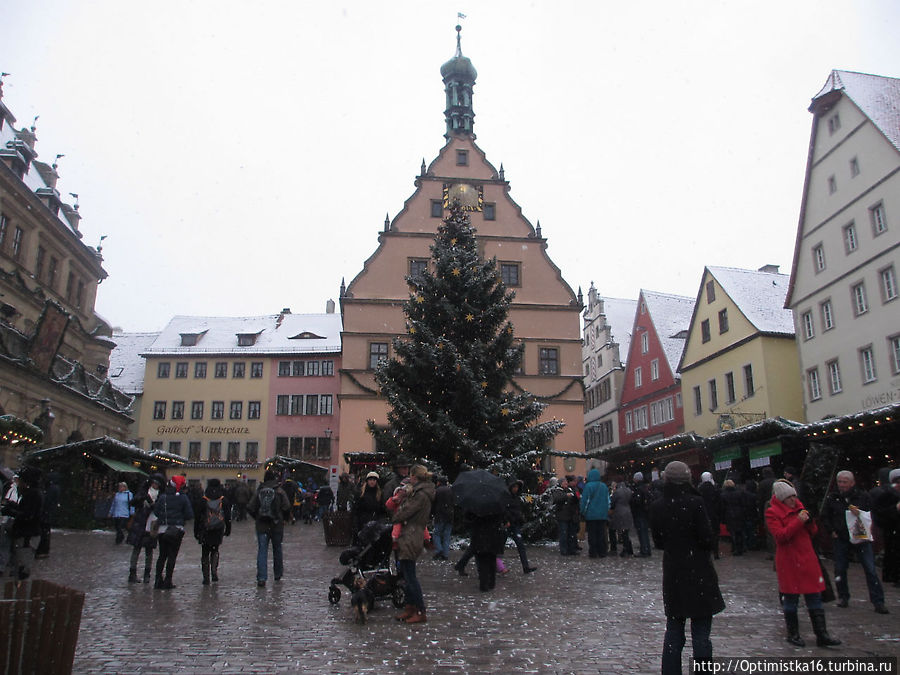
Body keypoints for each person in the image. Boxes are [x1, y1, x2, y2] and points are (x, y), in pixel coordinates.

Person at [650, 461, 724, 675]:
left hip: (674, 572)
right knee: (701, 634)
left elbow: (659, 541)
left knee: (674, 630)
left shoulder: (658, 506)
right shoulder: (695, 503)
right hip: (699, 571)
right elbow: (707, 537)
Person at [765, 479, 841, 647]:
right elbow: (780, 536)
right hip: (789, 561)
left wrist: (810, 522)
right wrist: (798, 521)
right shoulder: (772, 512)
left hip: (807, 558)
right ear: (782, 498)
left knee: (814, 597)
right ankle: (793, 634)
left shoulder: (800, 507)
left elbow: (812, 532)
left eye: (794, 496)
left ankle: (822, 634)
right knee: (791, 599)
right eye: (789, 497)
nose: (793, 500)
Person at [821, 470, 888, 613]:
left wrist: (861, 513)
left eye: (845, 482)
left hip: (860, 537)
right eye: (840, 482)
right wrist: (831, 530)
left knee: (870, 569)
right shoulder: (833, 498)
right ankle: (843, 597)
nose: (842, 485)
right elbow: (825, 515)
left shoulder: (863, 496)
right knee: (840, 568)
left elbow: (872, 514)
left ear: (852, 483)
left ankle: (878, 601)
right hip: (841, 536)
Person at [392, 464, 434, 624]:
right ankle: (410, 608)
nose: (409, 478)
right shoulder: (419, 493)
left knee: (410, 576)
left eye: (411, 476)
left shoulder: (420, 495)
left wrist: (399, 510)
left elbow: (405, 511)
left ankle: (420, 610)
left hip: (411, 534)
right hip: (410, 533)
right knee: (407, 573)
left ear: (415, 477)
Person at [248, 469, 291, 587]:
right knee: (277, 549)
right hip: (277, 525)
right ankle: (278, 574)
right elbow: (287, 506)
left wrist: (257, 517)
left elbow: (250, 507)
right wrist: (284, 519)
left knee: (262, 550)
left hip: (262, 525)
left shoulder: (259, 491)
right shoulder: (279, 491)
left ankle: (262, 578)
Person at [153, 475, 193, 589]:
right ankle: (168, 580)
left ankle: (157, 580)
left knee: (162, 556)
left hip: (162, 530)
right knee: (172, 556)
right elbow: (189, 514)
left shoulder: (163, 497)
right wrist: (180, 518)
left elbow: (156, 512)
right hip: (176, 530)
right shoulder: (183, 498)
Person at [194, 478, 232, 585]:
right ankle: (214, 572)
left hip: (205, 529)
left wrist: (196, 531)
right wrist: (228, 529)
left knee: (205, 552)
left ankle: (206, 577)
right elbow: (228, 516)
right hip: (218, 529)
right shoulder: (223, 499)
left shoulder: (204, 499)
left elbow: (197, 516)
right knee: (215, 550)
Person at [127, 473, 163, 583]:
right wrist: (143, 499)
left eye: (157, 484)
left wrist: (154, 506)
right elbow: (133, 502)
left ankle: (147, 574)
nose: (155, 485)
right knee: (136, 549)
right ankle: (132, 573)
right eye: (154, 483)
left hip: (152, 524)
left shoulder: (161, 495)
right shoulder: (143, 492)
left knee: (149, 550)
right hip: (140, 522)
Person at [8, 466, 42, 580]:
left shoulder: (33, 494)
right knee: (19, 566)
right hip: (25, 534)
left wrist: (12, 511)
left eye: (21, 480)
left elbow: (28, 515)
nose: (19, 483)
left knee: (22, 568)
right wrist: (14, 507)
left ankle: (19, 592)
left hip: (27, 535)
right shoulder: (31, 493)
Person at [873, 469, 900, 587]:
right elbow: (880, 513)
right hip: (893, 530)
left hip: (893, 530)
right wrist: (895, 509)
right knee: (894, 552)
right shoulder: (887, 494)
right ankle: (895, 577)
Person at [505, 478, 536, 573]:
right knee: (499, 546)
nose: (516, 488)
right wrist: (506, 520)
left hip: (515, 523)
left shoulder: (516, 497)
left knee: (521, 545)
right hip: (508, 524)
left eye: (517, 487)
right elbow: (505, 510)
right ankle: (495, 565)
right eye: (514, 486)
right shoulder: (507, 497)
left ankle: (525, 566)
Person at [579, 468, 610, 559]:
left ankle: (593, 552)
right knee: (601, 534)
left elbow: (585, 501)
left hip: (591, 515)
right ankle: (602, 552)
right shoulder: (604, 486)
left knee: (592, 535)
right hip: (602, 515)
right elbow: (608, 501)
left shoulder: (588, 486)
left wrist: (583, 512)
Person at [551, 476, 580, 556]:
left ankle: (571, 549)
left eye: (567, 483)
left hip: (570, 515)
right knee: (563, 533)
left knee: (571, 534)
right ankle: (564, 550)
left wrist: (576, 497)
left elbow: (575, 499)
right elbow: (557, 499)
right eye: (565, 483)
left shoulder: (570, 490)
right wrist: (566, 496)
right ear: (561, 483)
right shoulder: (557, 491)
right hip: (562, 516)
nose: (566, 484)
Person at [34, 472, 60, 559]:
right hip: (49, 514)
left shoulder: (52, 488)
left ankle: (42, 550)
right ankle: (44, 550)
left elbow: (47, 501)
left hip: (46, 514)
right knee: (45, 533)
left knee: (44, 533)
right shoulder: (55, 488)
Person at [353, 471, 384, 542]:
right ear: (367, 481)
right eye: (370, 480)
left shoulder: (379, 494)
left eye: (374, 480)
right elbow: (356, 510)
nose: (372, 482)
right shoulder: (361, 494)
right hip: (363, 523)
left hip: (375, 524)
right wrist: (356, 526)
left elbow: (382, 510)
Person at [698, 472, 722, 559]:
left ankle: (708, 550)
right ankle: (716, 551)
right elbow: (719, 502)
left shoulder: (700, 489)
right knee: (715, 533)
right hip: (714, 514)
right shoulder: (715, 488)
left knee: (707, 532)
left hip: (704, 514)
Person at [720, 479, 746, 556]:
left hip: (729, 515)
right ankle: (741, 547)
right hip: (739, 513)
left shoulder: (723, 495)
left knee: (732, 532)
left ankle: (735, 548)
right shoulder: (739, 493)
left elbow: (722, 507)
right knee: (739, 531)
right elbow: (743, 504)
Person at [630, 472, 653, 557]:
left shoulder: (638, 489)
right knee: (644, 532)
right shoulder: (645, 488)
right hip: (644, 513)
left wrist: (632, 501)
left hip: (639, 513)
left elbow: (637, 501)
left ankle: (644, 550)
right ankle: (646, 549)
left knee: (642, 532)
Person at [609, 479, 634, 557]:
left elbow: (612, 503)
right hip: (628, 511)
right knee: (625, 532)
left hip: (619, 512)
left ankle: (619, 549)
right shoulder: (629, 491)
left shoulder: (617, 492)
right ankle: (629, 549)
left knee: (614, 529)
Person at [431, 475, 453, 562]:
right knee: (447, 535)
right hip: (450, 516)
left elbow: (433, 503)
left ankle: (439, 550)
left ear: (439, 482)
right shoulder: (451, 490)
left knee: (436, 534)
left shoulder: (437, 491)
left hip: (440, 515)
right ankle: (445, 554)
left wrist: (431, 513)